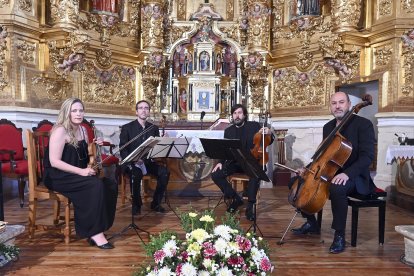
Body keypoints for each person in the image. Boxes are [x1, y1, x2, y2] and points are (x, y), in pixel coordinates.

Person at [290, 91, 376, 254]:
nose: (337, 106)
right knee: (296, 184)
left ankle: (339, 235)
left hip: (355, 177)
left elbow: (367, 158)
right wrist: (307, 169)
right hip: (329, 173)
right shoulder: (328, 127)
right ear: (330, 107)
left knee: (338, 188)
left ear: (349, 105)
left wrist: (347, 174)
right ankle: (312, 223)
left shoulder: (363, 125)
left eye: (341, 102)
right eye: (334, 103)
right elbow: (323, 157)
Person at [44, 98, 118, 249]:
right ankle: (94, 232)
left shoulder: (83, 130)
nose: (78, 114)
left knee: (110, 184)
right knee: (94, 185)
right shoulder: (60, 130)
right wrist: (82, 172)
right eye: (74, 110)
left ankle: (100, 227)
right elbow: (54, 162)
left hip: (77, 173)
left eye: (81, 110)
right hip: (57, 175)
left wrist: (94, 145)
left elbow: (82, 155)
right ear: (67, 112)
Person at [211, 104, 273, 221]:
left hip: (251, 162)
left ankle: (250, 206)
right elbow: (225, 149)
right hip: (235, 163)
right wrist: (220, 162)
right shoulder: (229, 131)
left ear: (244, 115)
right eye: (235, 113)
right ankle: (235, 199)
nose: (237, 116)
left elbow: (268, 141)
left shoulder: (254, 126)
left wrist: (269, 132)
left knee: (255, 175)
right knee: (215, 175)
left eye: (239, 113)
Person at [119, 100, 170, 215]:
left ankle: (156, 203)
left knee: (164, 172)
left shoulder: (153, 128)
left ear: (149, 112)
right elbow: (123, 148)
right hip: (132, 162)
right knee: (135, 174)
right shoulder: (127, 128)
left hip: (147, 162)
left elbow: (156, 149)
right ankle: (137, 204)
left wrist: (163, 141)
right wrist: (132, 159)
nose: (143, 110)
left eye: (146, 108)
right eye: (141, 108)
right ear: (136, 112)